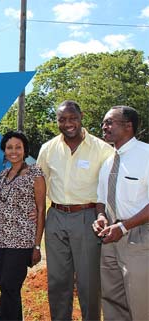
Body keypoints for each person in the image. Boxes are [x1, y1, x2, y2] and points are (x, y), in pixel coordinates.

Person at [37, 100, 113, 321]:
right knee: (58, 281)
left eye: (72, 118)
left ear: (82, 117)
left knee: (89, 281)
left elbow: (108, 188)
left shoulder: (102, 150)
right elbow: (40, 184)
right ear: (57, 121)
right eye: (62, 119)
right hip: (57, 216)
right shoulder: (48, 149)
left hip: (87, 217)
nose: (68, 123)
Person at [92, 106, 149, 321]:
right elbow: (100, 200)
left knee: (141, 301)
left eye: (109, 122)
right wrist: (100, 218)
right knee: (112, 300)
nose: (104, 127)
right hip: (110, 238)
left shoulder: (146, 155)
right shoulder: (108, 162)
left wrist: (124, 227)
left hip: (139, 238)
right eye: (103, 123)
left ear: (128, 126)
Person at [0, 131, 46, 321]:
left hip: (21, 240)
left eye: (18, 147)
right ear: (4, 151)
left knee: (11, 286)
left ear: (24, 150)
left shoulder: (35, 172)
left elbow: (40, 210)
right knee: (5, 288)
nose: (13, 151)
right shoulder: (3, 174)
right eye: (9, 147)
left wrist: (37, 246)